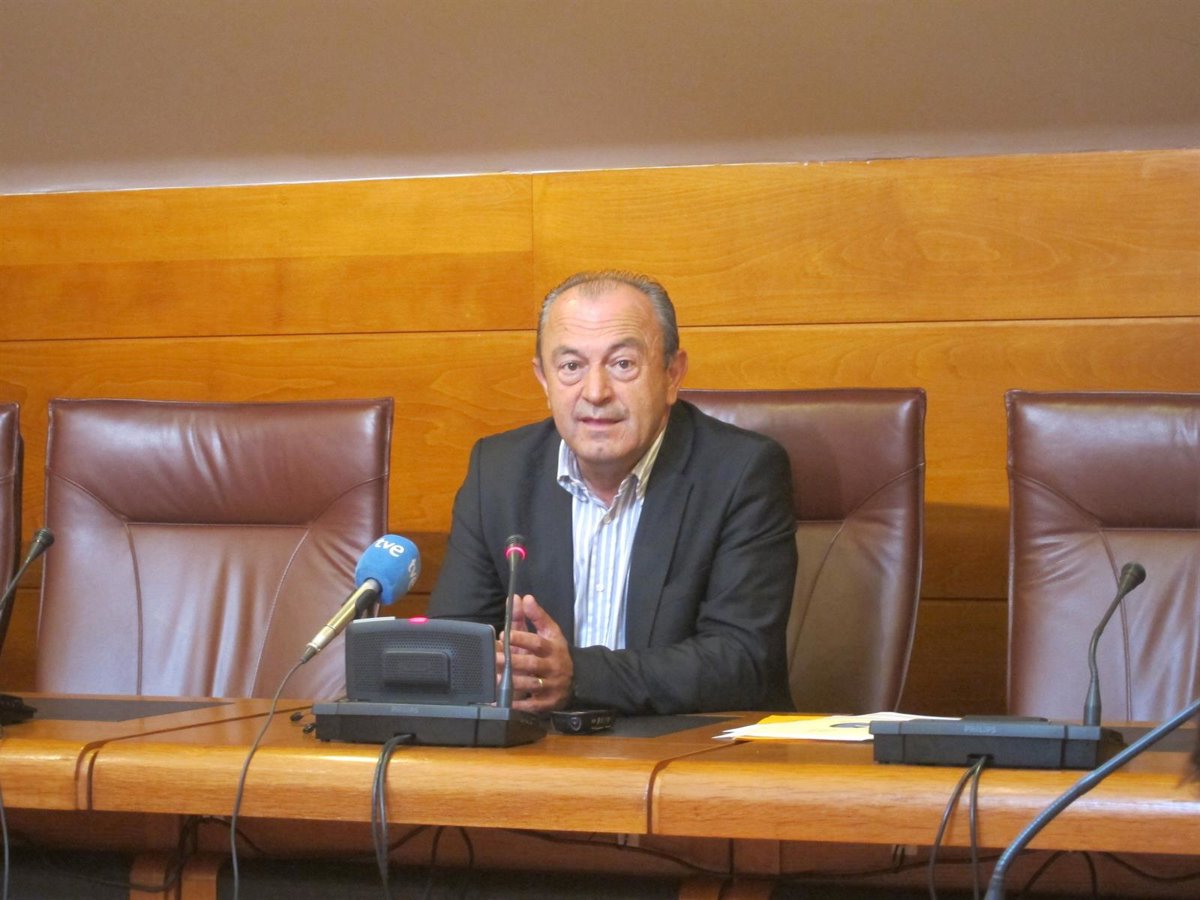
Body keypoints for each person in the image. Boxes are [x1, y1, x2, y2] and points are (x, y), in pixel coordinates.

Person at [427, 271, 797, 715]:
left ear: (672, 373)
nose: (596, 392)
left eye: (623, 364)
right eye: (571, 367)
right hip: (540, 746)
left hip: (688, 746)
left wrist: (579, 677)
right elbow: (457, 643)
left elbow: (743, 661)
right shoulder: (498, 473)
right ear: (544, 379)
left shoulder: (741, 472)